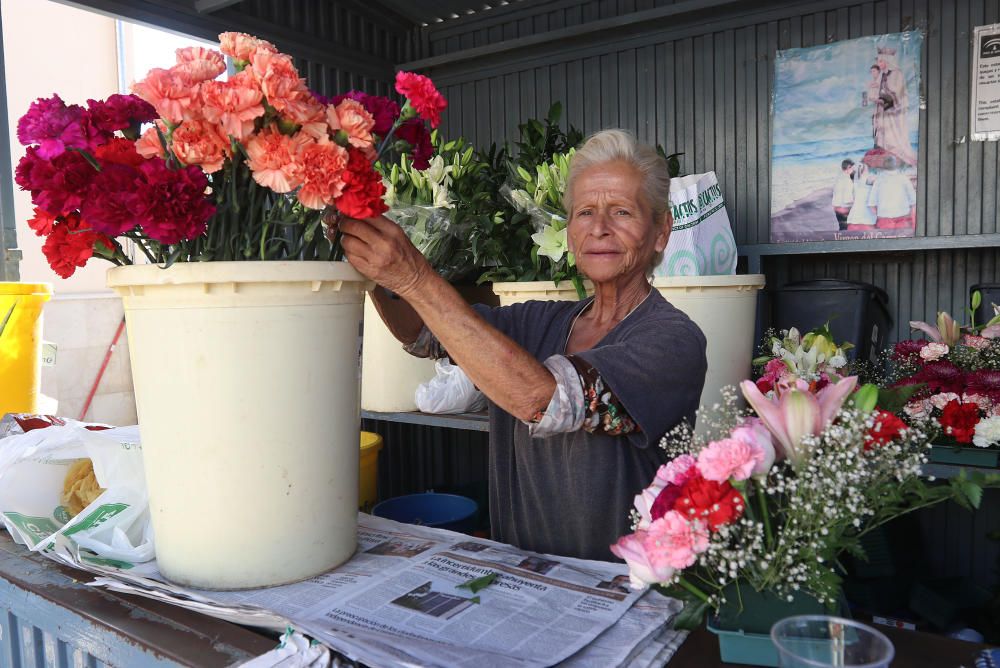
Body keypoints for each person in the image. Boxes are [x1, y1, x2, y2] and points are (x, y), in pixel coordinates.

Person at [341, 129, 708, 561]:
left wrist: (415, 277)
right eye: (585, 212)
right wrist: (371, 262)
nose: (600, 229)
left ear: (661, 230)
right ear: (569, 230)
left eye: (622, 212)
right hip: (522, 573)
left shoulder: (672, 339)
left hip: (615, 588)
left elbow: (545, 400)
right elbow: (425, 332)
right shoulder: (537, 320)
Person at [873, 47, 918, 166]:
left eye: (881, 61)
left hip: (894, 110)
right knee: (883, 133)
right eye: (878, 61)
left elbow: (898, 92)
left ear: (887, 61)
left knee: (894, 134)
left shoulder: (897, 73)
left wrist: (885, 94)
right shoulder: (882, 75)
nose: (878, 64)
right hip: (884, 109)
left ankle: (898, 156)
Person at [867, 155, 916, 230]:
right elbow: (913, 202)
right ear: (896, 165)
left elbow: (871, 205)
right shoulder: (904, 178)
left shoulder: (878, 181)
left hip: (884, 220)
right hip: (903, 218)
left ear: (883, 166)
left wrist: (880, 214)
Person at [845, 161, 878, 231]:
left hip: (852, 220)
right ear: (865, 169)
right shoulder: (868, 179)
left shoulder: (855, 183)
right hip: (867, 221)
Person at [831, 159, 855, 230]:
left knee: (842, 228)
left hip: (836, 208)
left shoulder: (838, 178)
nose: (853, 170)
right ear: (848, 168)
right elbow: (847, 199)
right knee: (847, 229)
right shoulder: (848, 181)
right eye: (852, 168)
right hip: (844, 209)